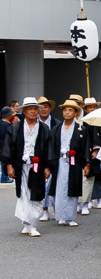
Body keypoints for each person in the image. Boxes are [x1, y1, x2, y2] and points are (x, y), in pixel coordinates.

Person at [1, 97, 54, 237]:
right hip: (21, 166)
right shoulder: (16, 127)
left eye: (34, 108)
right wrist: (9, 165)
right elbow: (8, 147)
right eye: (29, 108)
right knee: (23, 194)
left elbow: (49, 148)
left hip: (37, 166)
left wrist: (48, 167)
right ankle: (26, 223)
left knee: (35, 194)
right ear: (23, 111)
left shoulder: (44, 128)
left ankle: (33, 225)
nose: (32, 111)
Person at [49, 98, 89, 227]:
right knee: (60, 189)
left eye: (70, 110)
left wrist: (86, 163)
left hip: (74, 162)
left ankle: (70, 217)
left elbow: (85, 148)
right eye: (65, 110)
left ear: (76, 113)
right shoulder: (55, 129)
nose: (67, 113)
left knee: (72, 188)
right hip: (59, 161)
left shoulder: (81, 129)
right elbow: (51, 147)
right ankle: (60, 215)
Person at [0, 107, 15, 183]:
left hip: (1, 147)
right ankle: (4, 177)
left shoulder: (1, 123)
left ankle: (4, 177)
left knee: (3, 163)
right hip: (5, 147)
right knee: (4, 162)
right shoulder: (7, 125)